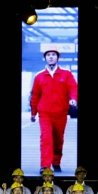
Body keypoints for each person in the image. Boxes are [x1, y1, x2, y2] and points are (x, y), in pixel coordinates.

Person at [30, 46, 78, 174]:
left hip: (61, 113)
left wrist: (74, 99)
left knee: (58, 140)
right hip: (45, 114)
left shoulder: (66, 74)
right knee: (46, 139)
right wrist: (33, 113)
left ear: (58, 57)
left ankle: (56, 162)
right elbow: (35, 95)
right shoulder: (39, 76)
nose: (51, 57)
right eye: (48, 55)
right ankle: (45, 166)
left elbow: (73, 88)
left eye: (53, 54)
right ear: (45, 58)